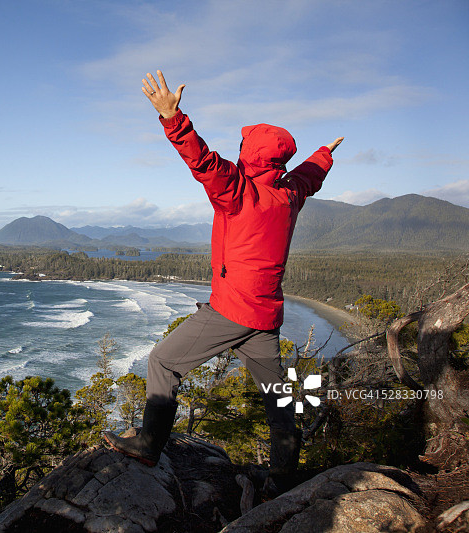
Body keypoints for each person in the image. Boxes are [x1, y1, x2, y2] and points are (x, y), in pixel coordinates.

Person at [104, 71, 343, 483]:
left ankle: (148, 446)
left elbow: (201, 160)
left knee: (163, 362)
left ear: (249, 154)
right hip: (265, 315)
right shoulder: (288, 196)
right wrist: (323, 155)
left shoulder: (237, 191)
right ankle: (283, 477)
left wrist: (172, 117)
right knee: (277, 398)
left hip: (232, 309)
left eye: (243, 146)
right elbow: (307, 178)